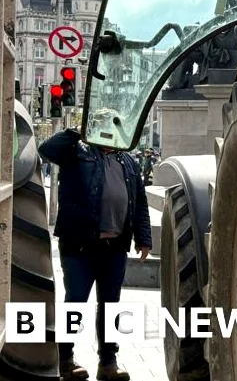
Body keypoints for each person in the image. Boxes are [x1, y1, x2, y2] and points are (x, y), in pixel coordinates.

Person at [38, 128, 152, 381]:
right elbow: (46, 149)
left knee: (110, 305)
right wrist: (78, 131)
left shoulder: (128, 161)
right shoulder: (76, 153)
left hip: (115, 247)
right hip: (79, 246)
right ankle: (65, 360)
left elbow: (140, 202)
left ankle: (108, 363)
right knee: (76, 301)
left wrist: (144, 238)